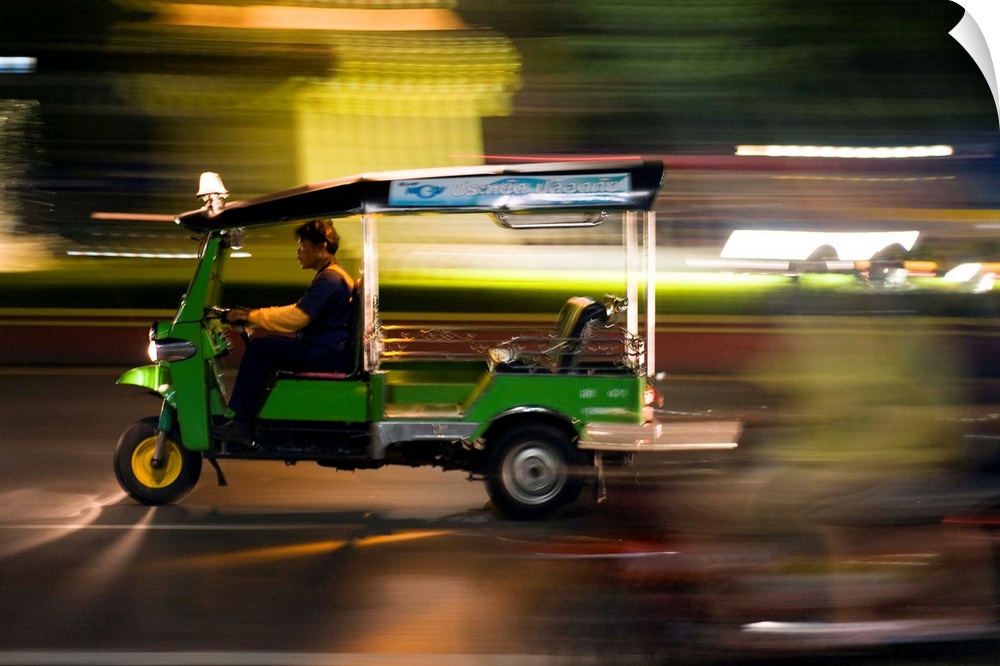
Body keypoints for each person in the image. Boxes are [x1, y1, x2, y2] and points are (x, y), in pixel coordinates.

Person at [211, 218, 355, 444]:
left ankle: (241, 423)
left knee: (259, 349)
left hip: (324, 353)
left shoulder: (330, 279)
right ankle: (253, 414)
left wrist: (252, 316)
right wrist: (254, 316)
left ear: (321, 248)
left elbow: (297, 317)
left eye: (303, 247)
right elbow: (297, 311)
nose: (298, 252)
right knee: (267, 345)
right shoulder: (332, 276)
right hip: (328, 349)